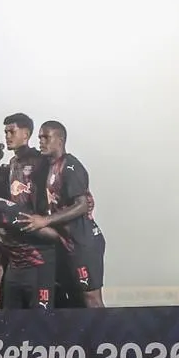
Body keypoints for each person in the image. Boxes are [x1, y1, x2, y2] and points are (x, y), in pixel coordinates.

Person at [26, 120, 107, 307]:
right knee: (74, 297)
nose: (41, 141)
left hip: (83, 241)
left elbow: (82, 205)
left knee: (91, 298)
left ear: (60, 140)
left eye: (46, 137)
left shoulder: (71, 165)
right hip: (65, 242)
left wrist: (45, 220)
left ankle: (105, 328)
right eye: (39, 137)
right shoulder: (48, 167)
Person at [0, 177, 62, 310]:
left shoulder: (11, 213)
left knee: (41, 317)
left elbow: (54, 235)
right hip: (14, 267)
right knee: (10, 316)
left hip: (38, 266)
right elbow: (1, 247)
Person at [3, 112, 49, 215]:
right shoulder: (12, 162)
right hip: (17, 219)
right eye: (6, 132)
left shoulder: (40, 159)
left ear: (26, 134)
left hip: (38, 218)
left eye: (12, 132)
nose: (7, 136)